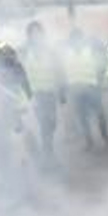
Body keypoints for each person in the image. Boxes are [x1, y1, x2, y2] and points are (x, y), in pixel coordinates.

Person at [20, 21, 65, 169]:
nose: (36, 36)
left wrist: (62, 91)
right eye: (33, 33)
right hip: (33, 96)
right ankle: (44, 156)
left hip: (49, 94)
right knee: (39, 125)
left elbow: (59, 71)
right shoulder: (23, 52)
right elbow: (17, 73)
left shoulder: (50, 51)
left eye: (38, 33)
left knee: (51, 124)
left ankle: (47, 152)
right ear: (29, 35)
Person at [62, 28, 108, 150]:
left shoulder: (90, 50)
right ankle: (89, 141)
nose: (76, 41)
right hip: (75, 89)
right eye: (74, 39)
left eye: (78, 38)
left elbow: (101, 65)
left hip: (91, 86)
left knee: (100, 114)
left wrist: (99, 81)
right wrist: (65, 88)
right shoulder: (66, 53)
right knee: (82, 117)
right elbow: (62, 71)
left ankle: (106, 137)